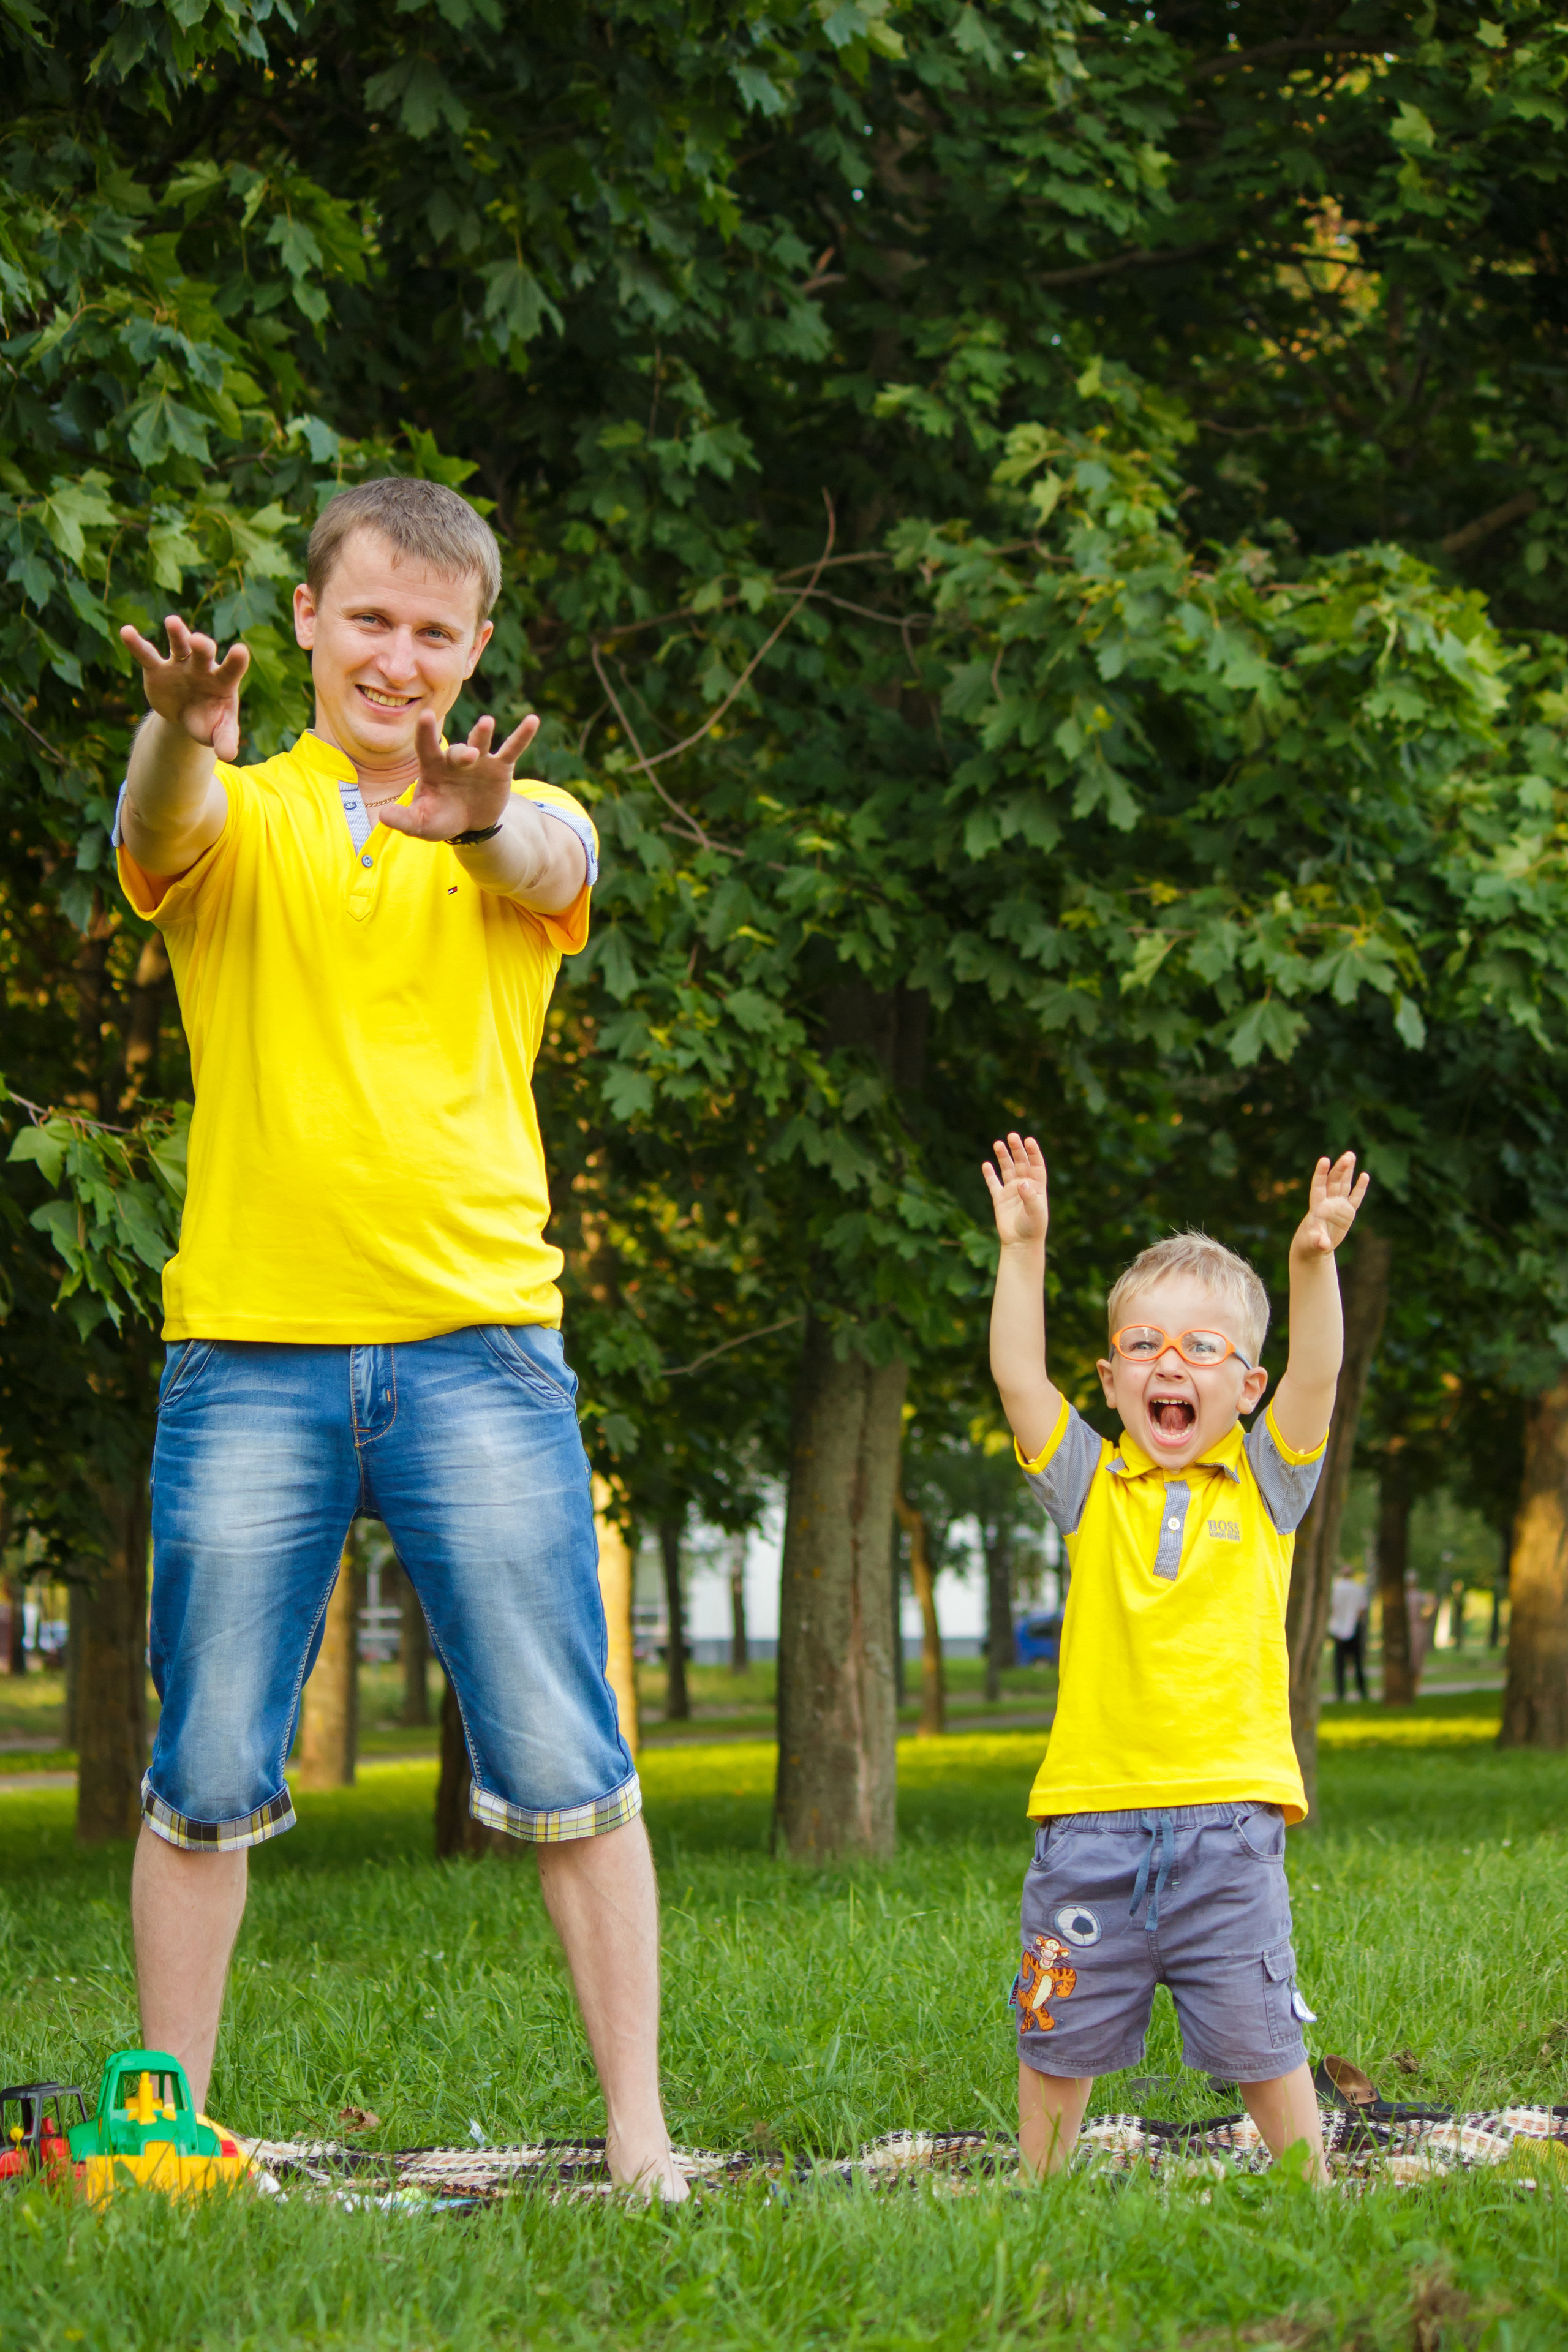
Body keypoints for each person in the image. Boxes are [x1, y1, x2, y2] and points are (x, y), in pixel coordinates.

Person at [115, 477, 685, 2199]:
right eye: (370, 619)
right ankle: (163, 2137)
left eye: (436, 632)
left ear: (478, 647)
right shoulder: (240, 807)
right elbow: (153, 839)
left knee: (572, 1758)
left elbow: (555, 859)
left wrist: (477, 820)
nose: (400, 657)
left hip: (477, 1350)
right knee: (203, 1764)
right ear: (307, 620)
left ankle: (641, 2135)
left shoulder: (521, 819)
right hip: (254, 1353)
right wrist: (174, 733)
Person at [984, 1134, 1370, 2186]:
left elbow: (1321, 1369)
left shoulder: (1266, 1488)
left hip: (1230, 1825)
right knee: (1055, 2031)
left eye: (1202, 1351)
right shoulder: (1088, 1485)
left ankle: (1309, 2191)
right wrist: (1024, 1250)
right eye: (1144, 1344)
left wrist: (1312, 1261)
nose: (1169, 1363)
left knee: (1262, 2034)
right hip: (1089, 1824)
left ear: (1246, 1387)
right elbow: (1018, 1373)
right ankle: (1042, 2193)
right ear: (1110, 1380)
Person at [1328, 1567, 1369, 1702]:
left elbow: (1332, 1608)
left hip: (1338, 1629)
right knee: (1358, 1661)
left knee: (1339, 1663)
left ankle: (1340, 1692)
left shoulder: (1336, 1589)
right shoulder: (1358, 1589)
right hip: (1354, 1626)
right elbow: (1362, 1610)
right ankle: (1362, 1691)